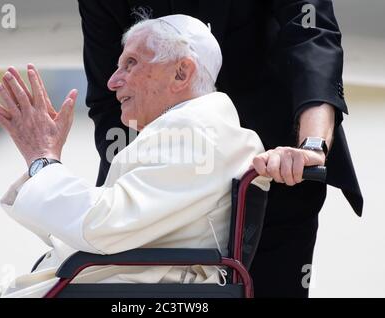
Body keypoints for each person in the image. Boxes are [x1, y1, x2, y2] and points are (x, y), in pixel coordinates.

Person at [78, 0, 364, 297]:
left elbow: (311, 35)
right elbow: (108, 97)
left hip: (275, 167)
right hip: (161, 192)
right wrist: (133, 192)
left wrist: (312, 144)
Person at [0, 14, 270, 298]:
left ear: (181, 73)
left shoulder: (195, 133)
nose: (113, 81)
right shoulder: (193, 130)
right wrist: (44, 164)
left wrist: (43, 159)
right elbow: (105, 231)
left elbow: (101, 228)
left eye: (131, 63)